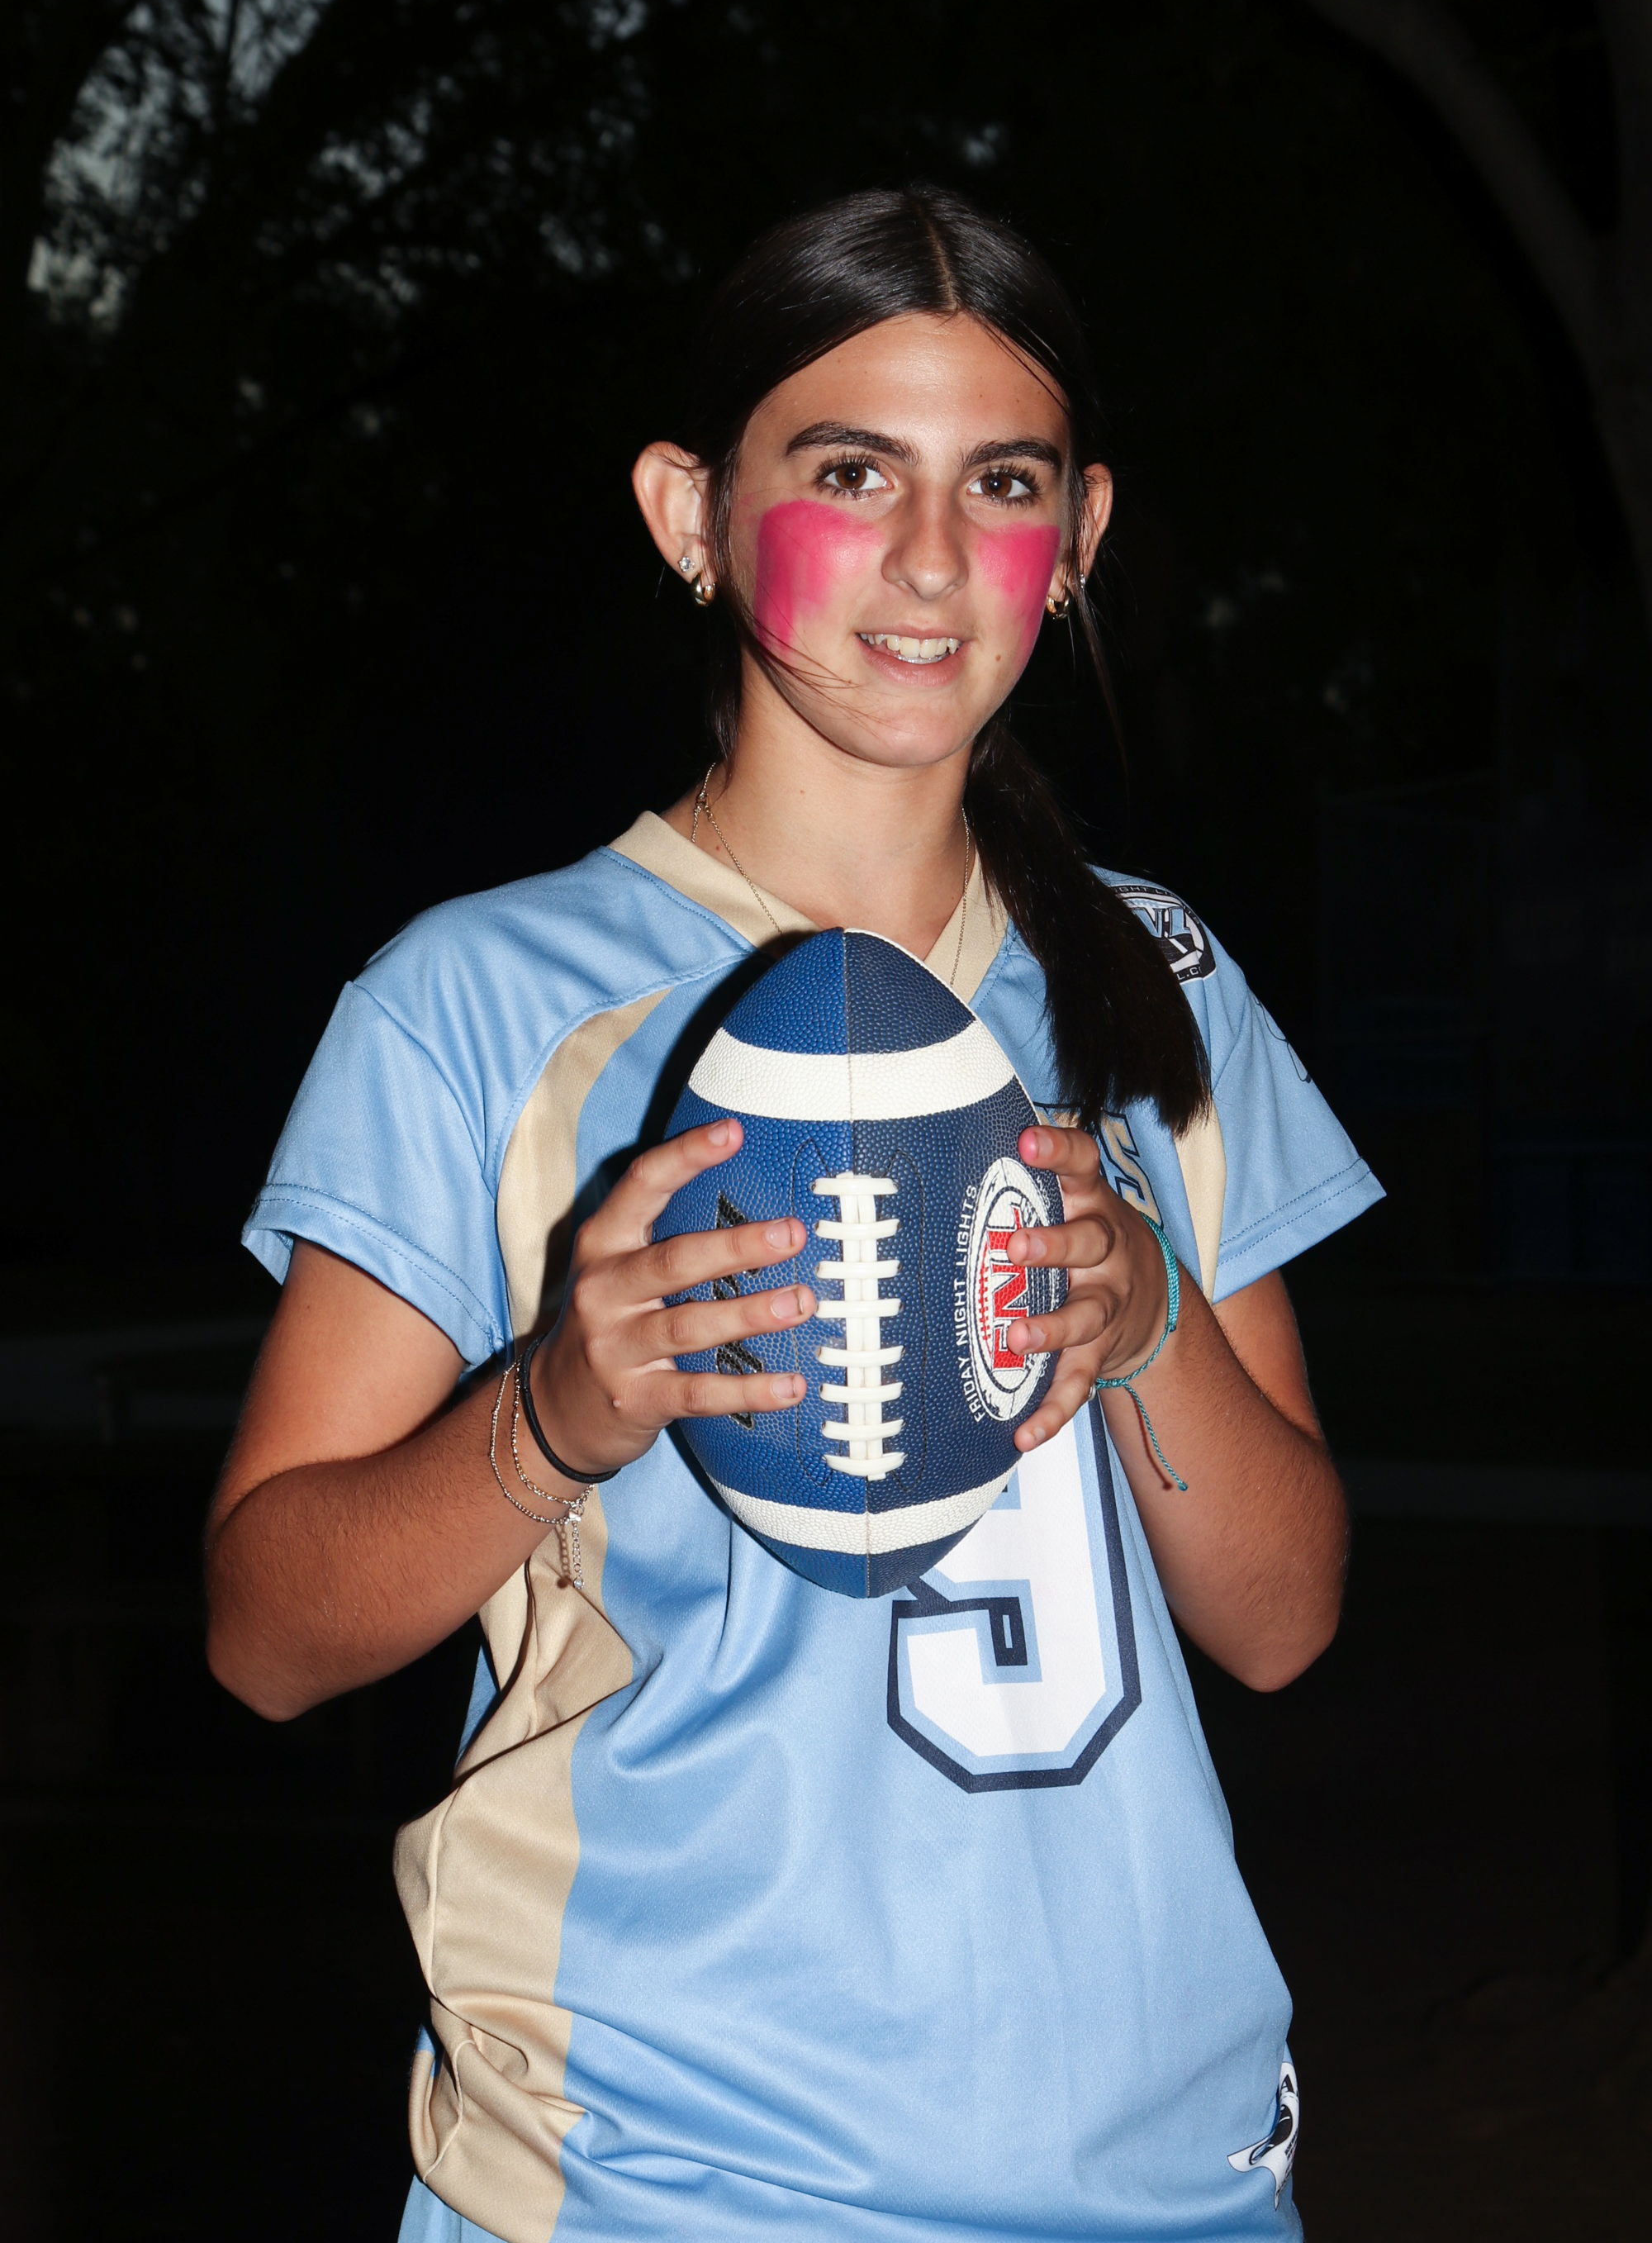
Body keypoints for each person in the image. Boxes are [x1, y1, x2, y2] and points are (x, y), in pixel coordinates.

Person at [206, 185, 1381, 2243]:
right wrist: (551, 1410)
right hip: (658, 2176)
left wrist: (1147, 1322)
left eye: (999, 482)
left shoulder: (1155, 977)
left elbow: (1282, 1620)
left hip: (1154, 2172)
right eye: (848, 471)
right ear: (691, 512)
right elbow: (264, 1637)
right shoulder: (480, 999)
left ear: (1078, 537)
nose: (929, 555)